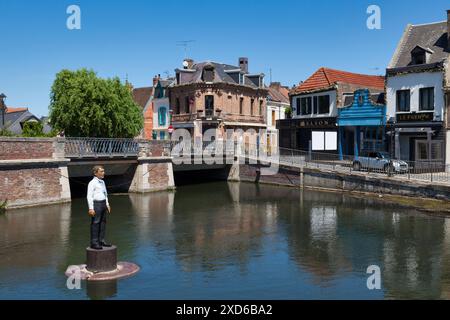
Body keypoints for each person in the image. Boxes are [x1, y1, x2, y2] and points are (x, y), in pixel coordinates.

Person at [87, 165, 112, 250]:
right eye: (101, 171)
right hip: (96, 204)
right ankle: (94, 242)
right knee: (95, 223)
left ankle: (101, 240)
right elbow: (89, 196)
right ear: (95, 173)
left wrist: (107, 204)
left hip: (103, 204)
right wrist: (91, 208)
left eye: (103, 171)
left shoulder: (102, 182)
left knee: (103, 222)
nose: (103, 173)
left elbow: (105, 194)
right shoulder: (92, 183)